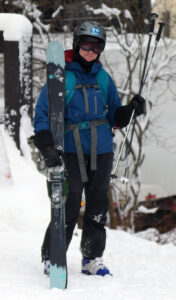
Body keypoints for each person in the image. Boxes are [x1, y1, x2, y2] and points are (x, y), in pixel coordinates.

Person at [33, 21, 146, 277]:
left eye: (96, 47)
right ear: (77, 44)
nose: (90, 51)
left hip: (102, 151)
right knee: (69, 204)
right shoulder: (61, 76)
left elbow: (115, 115)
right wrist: (46, 145)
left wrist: (130, 110)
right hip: (71, 151)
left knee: (97, 206)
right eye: (86, 45)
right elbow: (42, 114)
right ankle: (52, 255)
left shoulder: (104, 78)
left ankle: (92, 258)